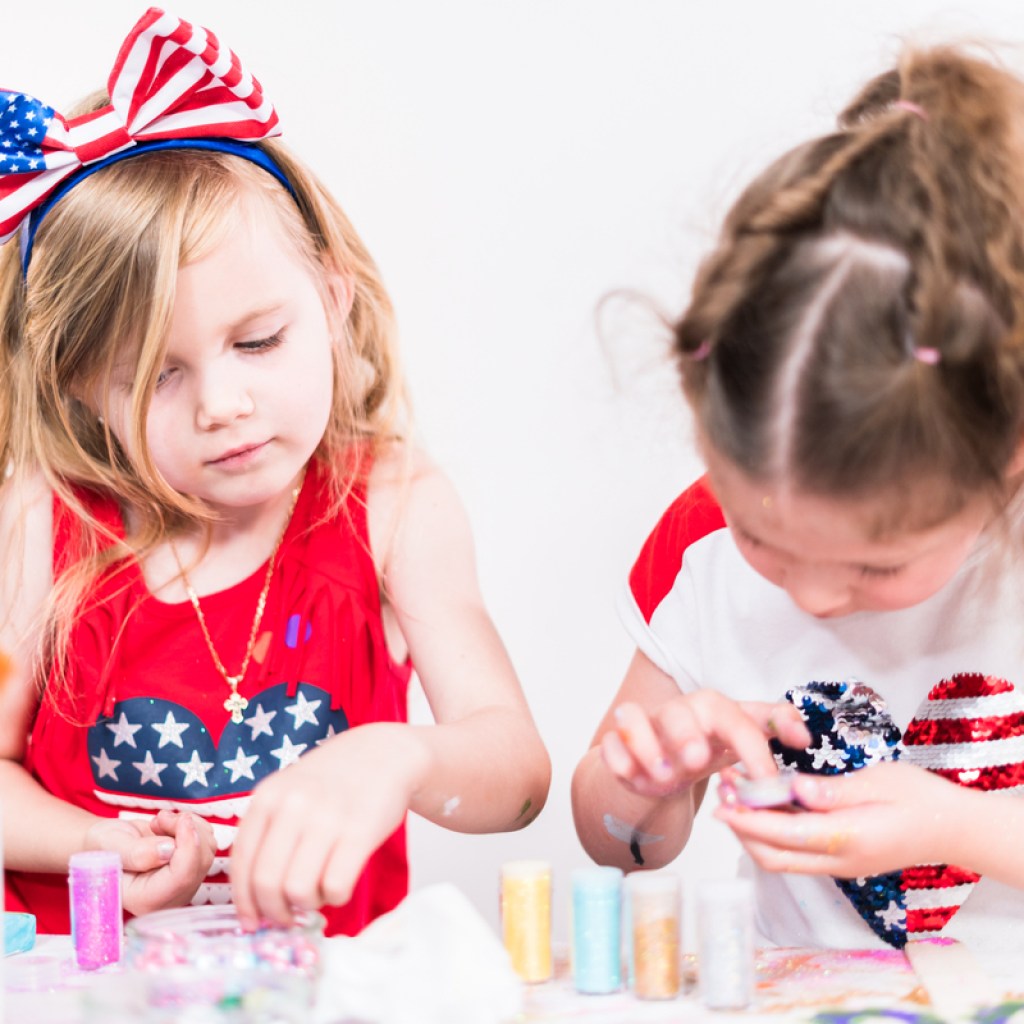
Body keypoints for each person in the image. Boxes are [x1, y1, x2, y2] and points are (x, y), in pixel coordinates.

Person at [0, 7, 550, 938]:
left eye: (258, 341)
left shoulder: (393, 505)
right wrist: (94, 842)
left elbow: (518, 775)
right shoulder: (43, 521)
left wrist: (398, 757)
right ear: (83, 390)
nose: (223, 404)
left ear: (332, 303)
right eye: (154, 377)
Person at [572, 43, 1024, 952]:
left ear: (1006, 463)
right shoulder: (699, 544)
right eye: (762, 536)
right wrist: (651, 773)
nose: (812, 597)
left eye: (877, 562)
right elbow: (622, 847)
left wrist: (956, 827)